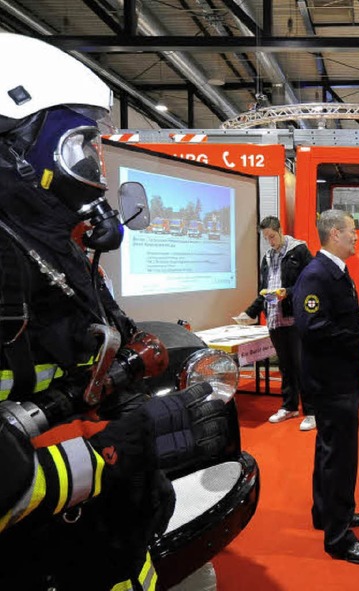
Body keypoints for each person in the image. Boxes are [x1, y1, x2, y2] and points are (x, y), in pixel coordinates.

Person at [0, 32, 225, 590]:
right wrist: (108, 454)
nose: (94, 169)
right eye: (79, 146)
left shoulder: (53, 250)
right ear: (18, 151)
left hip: (110, 544)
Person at [292, 209, 359, 564]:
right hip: (331, 381)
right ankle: (339, 536)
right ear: (333, 234)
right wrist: (357, 341)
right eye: (351, 231)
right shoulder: (316, 275)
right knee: (340, 456)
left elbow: (337, 318)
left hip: (338, 377)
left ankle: (326, 511)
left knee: (329, 450)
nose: (356, 236)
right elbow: (312, 328)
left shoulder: (336, 272)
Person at [237, 216, 315, 430]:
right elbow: (265, 290)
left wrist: (287, 293)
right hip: (274, 318)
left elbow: (310, 282)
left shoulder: (299, 251)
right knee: (285, 366)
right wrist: (249, 312)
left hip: (294, 318)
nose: (270, 241)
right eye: (266, 238)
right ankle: (289, 406)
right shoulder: (267, 257)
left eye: (272, 236)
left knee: (301, 366)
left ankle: (312, 411)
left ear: (280, 230)